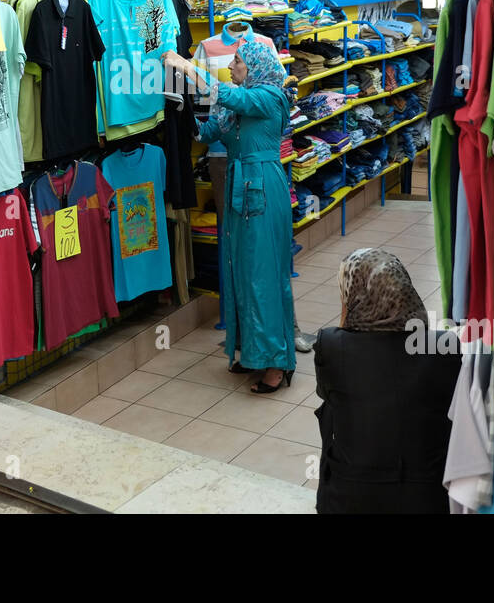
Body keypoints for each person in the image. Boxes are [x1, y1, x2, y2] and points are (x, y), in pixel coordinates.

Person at [164, 40, 295, 393]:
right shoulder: (240, 99)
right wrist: (183, 108)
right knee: (240, 271)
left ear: (253, 65)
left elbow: (231, 97)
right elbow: (208, 133)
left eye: (237, 61)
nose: (233, 66)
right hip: (242, 188)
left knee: (264, 275)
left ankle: (276, 363)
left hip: (265, 188)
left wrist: (189, 68)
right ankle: (251, 352)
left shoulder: (269, 96)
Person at [314, 249, 460, 513]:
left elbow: (328, 396)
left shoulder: (332, 346)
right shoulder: (444, 347)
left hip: (350, 496)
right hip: (427, 496)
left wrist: (346, 318)